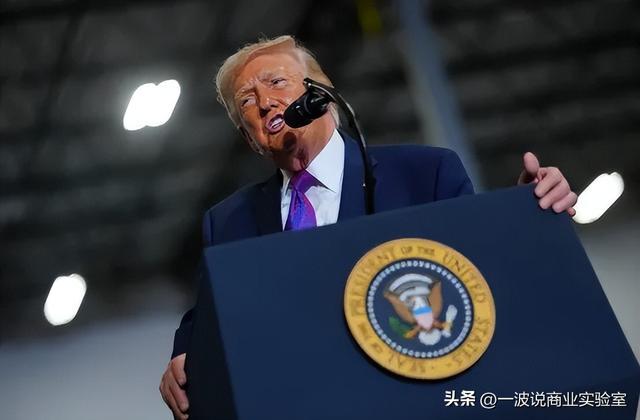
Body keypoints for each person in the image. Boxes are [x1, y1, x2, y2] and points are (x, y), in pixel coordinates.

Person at [159, 35, 577, 419]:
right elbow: (207, 321)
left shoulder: (424, 173)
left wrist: (523, 213)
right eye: (248, 101)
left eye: (276, 82)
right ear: (249, 137)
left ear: (322, 95)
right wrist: (184, 362)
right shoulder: (229, 221)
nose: (266, 102)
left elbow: (478, 274)